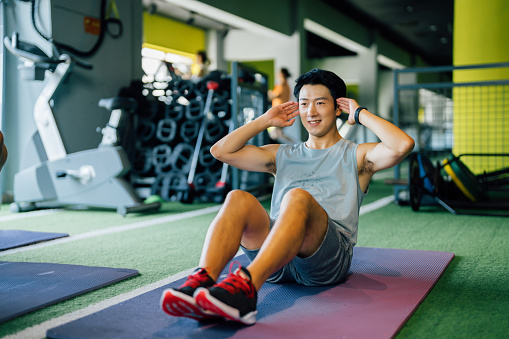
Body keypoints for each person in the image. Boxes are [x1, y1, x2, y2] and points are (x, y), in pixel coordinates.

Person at [160, 68, 415, 325]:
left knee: (297, 197)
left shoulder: (357, 155)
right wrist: (264, 120)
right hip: (276, 260)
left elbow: (402, 145)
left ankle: (246, 288)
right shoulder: (282, 153)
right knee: (238, 197)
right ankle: (201, 281)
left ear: (338, 108)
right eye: (304, 104)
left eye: (320, 103)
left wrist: (360, 114)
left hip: (326, 261)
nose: (311, 112)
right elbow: (220, 151)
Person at [268, 67, 296, 143]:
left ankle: (295, 144)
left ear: (282, 74)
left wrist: (269, 92)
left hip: (279, 111)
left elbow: (275, 95)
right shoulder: (286, 84)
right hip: (284, 110)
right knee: (277, 133)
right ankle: (296, 143)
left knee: (275, 134)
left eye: (278, 72)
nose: (277, 74)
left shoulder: (281, 83)